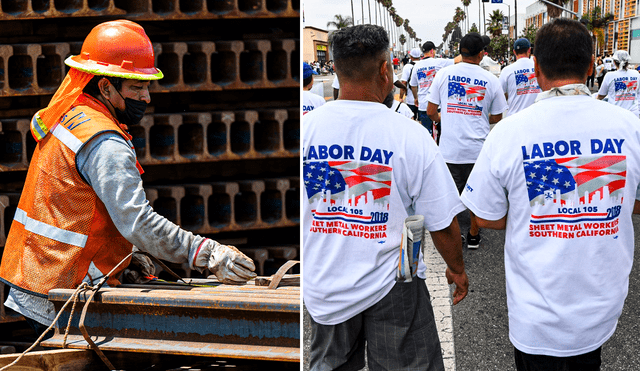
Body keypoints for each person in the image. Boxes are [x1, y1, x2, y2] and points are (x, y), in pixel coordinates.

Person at [0, 20, 256, 337]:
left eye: (146, 86)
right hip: (62, 291)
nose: (146, 97)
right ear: (106, 87)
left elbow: (76, 203)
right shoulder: (105, 142)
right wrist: (206, 253)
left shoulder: (73, 114)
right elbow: (136, 220)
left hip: (39, 274)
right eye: (136, 87)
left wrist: (126, 257)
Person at [460, 18, 640, 370]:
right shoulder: (630, 127)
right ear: (591, 67)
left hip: (535, 317)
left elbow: (485, 216)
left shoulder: (509, 133)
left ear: (536, 68)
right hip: (601, 308)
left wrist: (538, 212)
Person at [303, 24, 468, 371]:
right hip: (395, 282)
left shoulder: (306, 129)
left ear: (335, 68)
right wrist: (456, 268)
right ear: (384, 69)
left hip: (324, 284)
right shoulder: (410, 135)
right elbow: (441, 222)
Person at [426, 32, 507, 248]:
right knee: (475, 194)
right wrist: (477, 115)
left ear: (459, 51)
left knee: (449, 198)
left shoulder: (443, 74)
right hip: (477, 151)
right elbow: (498, 116)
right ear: (481, 54)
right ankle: (473, 234)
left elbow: (430, 110)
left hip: (449, 150)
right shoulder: (490, 79)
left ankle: (453, 237)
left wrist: (443, 118)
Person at [409, 41, 455, 137]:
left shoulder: (416, 66)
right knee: (443, 134)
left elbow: (413, 85)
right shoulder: (439, 62)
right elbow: (456, 60)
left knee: (426, 135)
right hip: (438, 106)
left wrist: (416, 98)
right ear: (432, 51)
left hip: (423, 105)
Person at [498, 38, 541, 116]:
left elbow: (499, 95)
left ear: (514, 52)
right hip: (537, 116)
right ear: (529, 50)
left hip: (514, 118)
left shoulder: (507, 71)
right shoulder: (539, 67)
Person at [597, 50, 640, 116]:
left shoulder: (610, 75)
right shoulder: (636, 74)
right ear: (628, 62)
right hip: (634, 114)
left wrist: (595, 100)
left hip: (616, 113)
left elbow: (601, 95)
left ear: (614, 62)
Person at [399, 47, 421, 119]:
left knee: (411, 120)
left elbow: (404, 82)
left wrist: (401, 97)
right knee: (423, 122)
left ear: (411, 57)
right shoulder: (423, 66)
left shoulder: (407, 67)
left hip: (411, 99)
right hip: (423, 99)